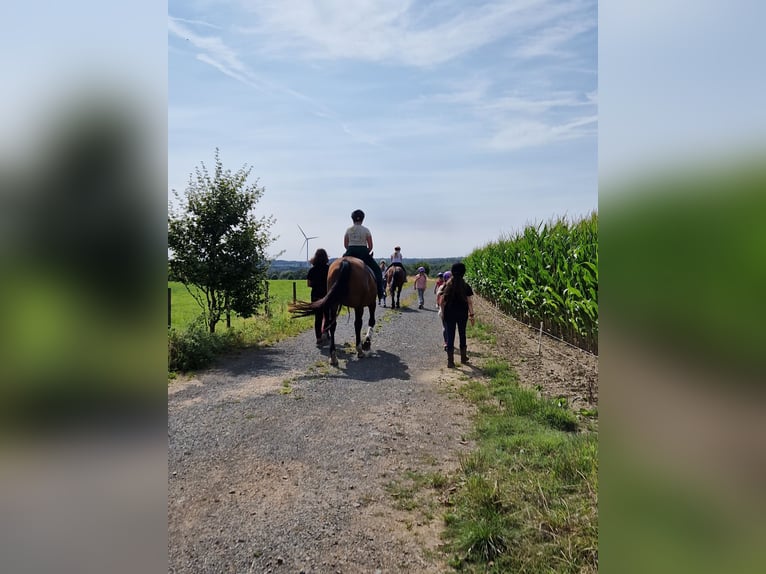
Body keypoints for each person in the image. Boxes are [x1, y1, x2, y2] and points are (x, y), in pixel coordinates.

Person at [343, 209, 385, 300]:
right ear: (362, 219)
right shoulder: (366, 230)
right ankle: (380, 292)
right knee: (377, 271)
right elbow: (370, 246)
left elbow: (345, 245)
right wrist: (366, 251)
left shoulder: (348, 230)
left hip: (350, 251)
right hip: (363, 251)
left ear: (352, 219)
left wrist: (350, 251)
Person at [439, 262, 475, 367]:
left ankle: (450, 361)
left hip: (449, 314)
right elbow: (469, 302)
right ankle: (463, 358)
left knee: (450, 336)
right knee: (462, 334)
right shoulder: (466, 286)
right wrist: (472, 315)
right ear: (463, 273)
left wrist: (443, 312)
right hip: (462, 314)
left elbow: (442, 301)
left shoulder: (447, 285)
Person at [306, 248, 331, 345]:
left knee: (318, 317)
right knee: (327, 315)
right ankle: (325, 332)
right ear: (325, 257)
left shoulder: (312, 270)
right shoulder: (329, 269)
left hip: (316, 295)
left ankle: (318, 338)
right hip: (326, 295)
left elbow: (309, 284)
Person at [435, 271, 451, 350]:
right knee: (451, 327)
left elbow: (438, 298)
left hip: (442, 310)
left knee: (445, 327)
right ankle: (450, 341)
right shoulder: (454, 288)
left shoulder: (441, 287)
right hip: (451, 311)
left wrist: (438, 304)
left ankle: (446, 342)